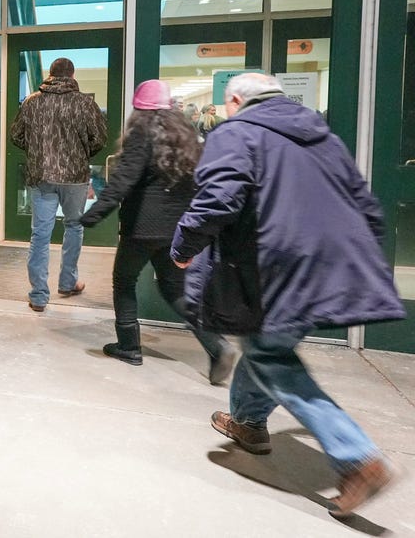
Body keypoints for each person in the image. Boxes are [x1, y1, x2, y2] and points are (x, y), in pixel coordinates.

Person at [170, 72, 405, 518]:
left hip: (276, 265)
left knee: (267, 352)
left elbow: (219, 197)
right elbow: (364, 202)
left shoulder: (237, 133)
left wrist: (183, 247)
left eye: (226, 104)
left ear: (236, 100)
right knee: (264, 342)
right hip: (329, 264)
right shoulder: (322, 136)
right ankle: (248, 421)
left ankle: (357, 457)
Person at [79, 80, 234, 382]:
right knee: (174, 287)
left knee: (124, 280)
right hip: (176, 229)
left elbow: (124, 179)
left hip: (142, 228)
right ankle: (216, 345)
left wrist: (92, 215)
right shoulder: (185, 134)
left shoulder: (142, 133)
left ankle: (128, 347)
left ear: (139, 109)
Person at [9, 57, 107, 313]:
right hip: (75, 176)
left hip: (41, 176)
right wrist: (81, 153)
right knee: (74, 226)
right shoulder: (85, 103)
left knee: (40, 235)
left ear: (49, 74)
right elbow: (99, 138)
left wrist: (37, 151)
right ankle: (67, 282)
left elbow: (16, 135)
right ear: (72, 75)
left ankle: (39, 296)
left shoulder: (32, 101)